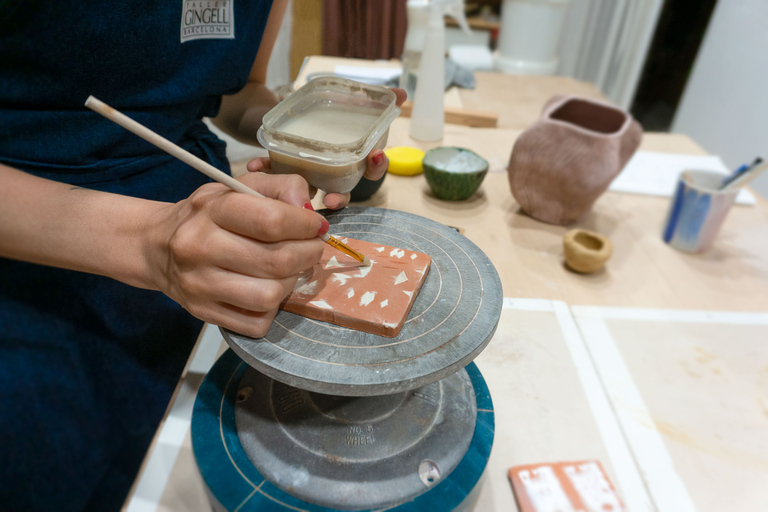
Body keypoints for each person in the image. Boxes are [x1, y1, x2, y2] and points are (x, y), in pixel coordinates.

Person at [0, 1, 405, 510]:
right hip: (33, 237)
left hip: (198, 194)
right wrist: (150, 244)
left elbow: (234, 97)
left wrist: (312, 139)